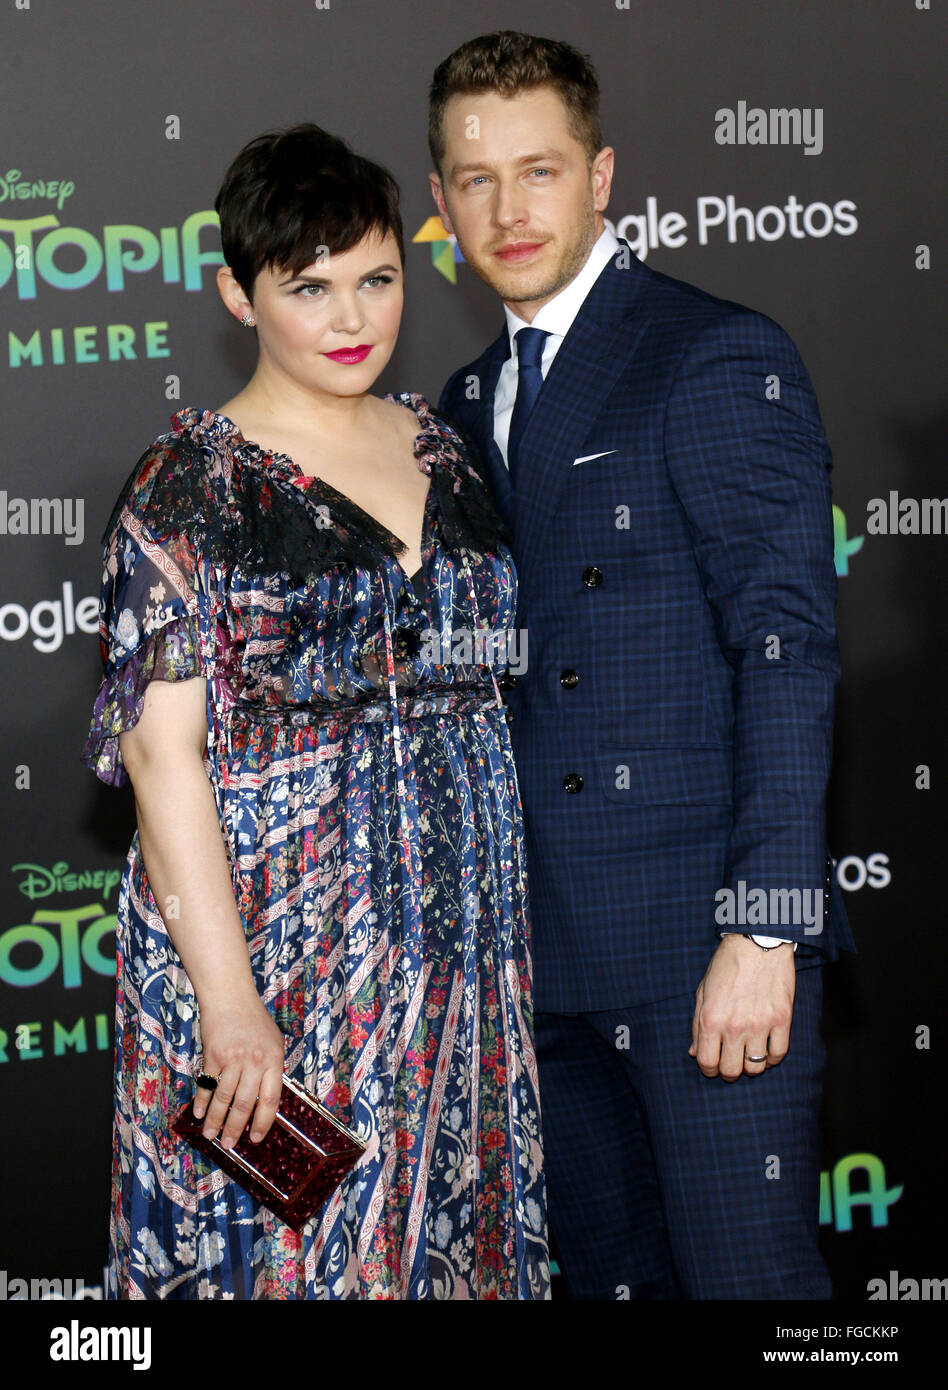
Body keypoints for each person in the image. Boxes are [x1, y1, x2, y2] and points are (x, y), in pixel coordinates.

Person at [80, 122, 549, 1300]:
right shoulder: (192, 482)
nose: (353, 318)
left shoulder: (445, 447)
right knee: (294, 1265)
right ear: (239, 294)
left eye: (377, 279)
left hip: (455, 941)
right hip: (275, 954)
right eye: (310, 287)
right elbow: (161, 759)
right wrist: (232, 1011)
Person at [430, 31, 856, 1299]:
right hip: (535, 960)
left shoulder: (712, 352)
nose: (510, 210)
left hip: (698, 950)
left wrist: (765, 928)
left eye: (541, 170)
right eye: (475, 178)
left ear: (603, 175)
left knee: (752, 1286)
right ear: (441, 201)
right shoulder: (456, 403)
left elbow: (785, 645)